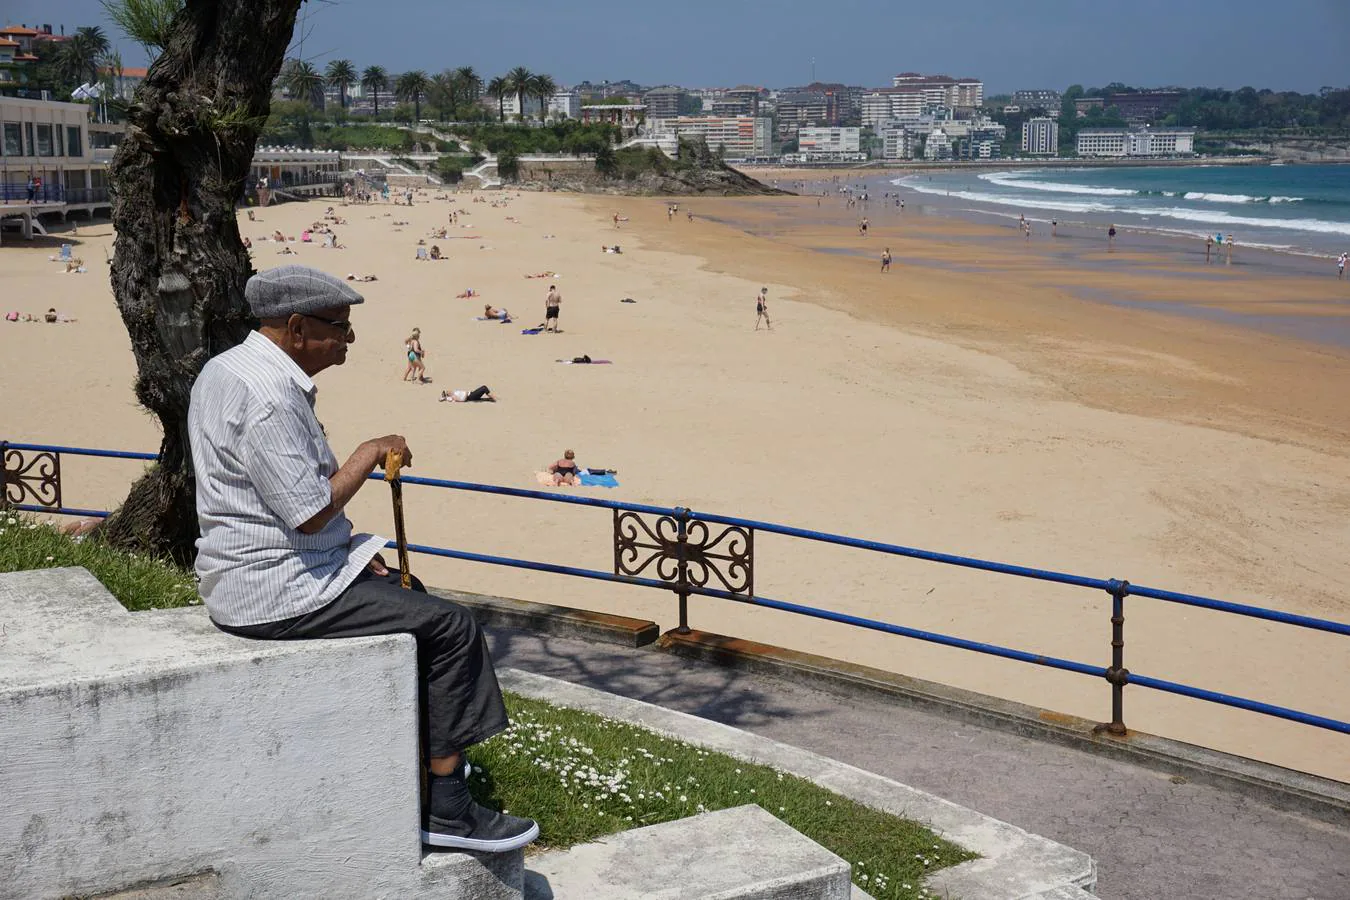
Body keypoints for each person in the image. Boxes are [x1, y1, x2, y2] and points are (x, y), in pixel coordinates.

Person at [186, 265, 536, 853]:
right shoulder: (268, 396)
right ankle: (447, 808)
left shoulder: (228, 370)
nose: (349, 340)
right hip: (274, 591)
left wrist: (353, 551)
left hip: (258, 571)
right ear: (297, 328)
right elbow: (309, 512)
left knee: (411, 595)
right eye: (340, 327)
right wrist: (370, 451)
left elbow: (283, 503)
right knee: (452, 628)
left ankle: (419, 766)